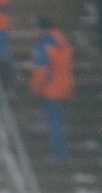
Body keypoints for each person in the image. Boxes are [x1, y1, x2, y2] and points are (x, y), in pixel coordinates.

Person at [30, 16, 73, 161]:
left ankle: (59, 154)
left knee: (54, 122)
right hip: (63, 85)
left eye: (36, 28)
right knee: (58, 121)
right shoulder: (61, 41)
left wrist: (35, 89)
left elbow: (41, 71)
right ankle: (61, 152)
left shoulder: (44, 45)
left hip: (50, 88)